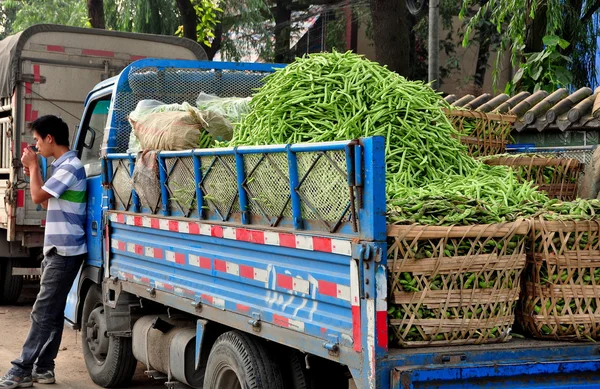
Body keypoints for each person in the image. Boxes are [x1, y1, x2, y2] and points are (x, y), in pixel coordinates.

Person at [0, 115, 87, 388]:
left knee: (42, 311)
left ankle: (21, 369)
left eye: (38, 140)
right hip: (60, 250)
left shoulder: (71, 167)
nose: (36, 146)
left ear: (50, 138)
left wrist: (35, 167)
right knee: (52, 311)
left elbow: (37, 197)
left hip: (63, 251)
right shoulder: (64, 167)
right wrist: (34, 172)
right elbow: (48, 205)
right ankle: (44, 367)